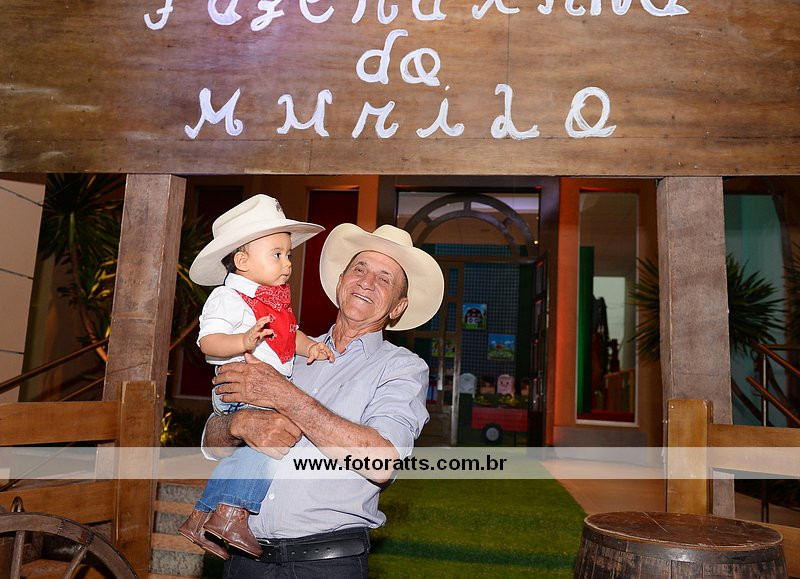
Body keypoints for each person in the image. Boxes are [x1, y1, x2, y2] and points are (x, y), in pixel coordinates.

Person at [204, 223, 444, 577]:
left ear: (398, 307)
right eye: (359, 269)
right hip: (244, 561)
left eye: (384, 279)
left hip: (325, 565)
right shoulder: (282, 351)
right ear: (341, 281)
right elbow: (212, 442)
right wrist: (236, 424)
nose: (366, 282)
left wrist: (284, 395)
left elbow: (381, 463)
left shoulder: (402, 368)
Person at [178, 194, 334, 560]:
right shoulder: (228, 297)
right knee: (272, 446)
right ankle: (233, 514)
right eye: (277, 254)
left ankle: (200, 518)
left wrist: (309, 347)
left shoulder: (275, 300)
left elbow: (288, 336)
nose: (287, 263)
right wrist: (243, 341)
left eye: (288, 255)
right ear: (242, 261)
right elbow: (208, 342)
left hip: (263, 387)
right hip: (242, 384)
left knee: (253, 450)